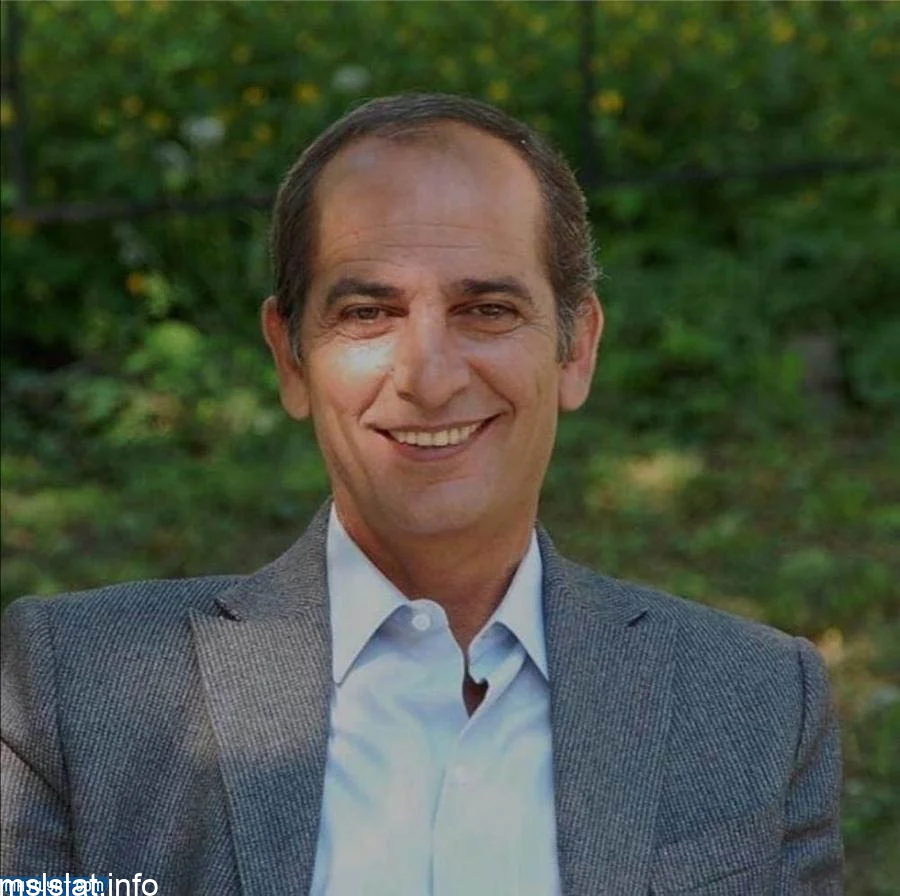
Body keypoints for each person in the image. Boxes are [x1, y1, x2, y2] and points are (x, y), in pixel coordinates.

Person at [1, 93, 842, 895]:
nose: (428, 378)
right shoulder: (72, 691)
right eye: (369, 313)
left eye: (487, 309)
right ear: (290, 358)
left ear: (576, 349)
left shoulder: (756, 703)